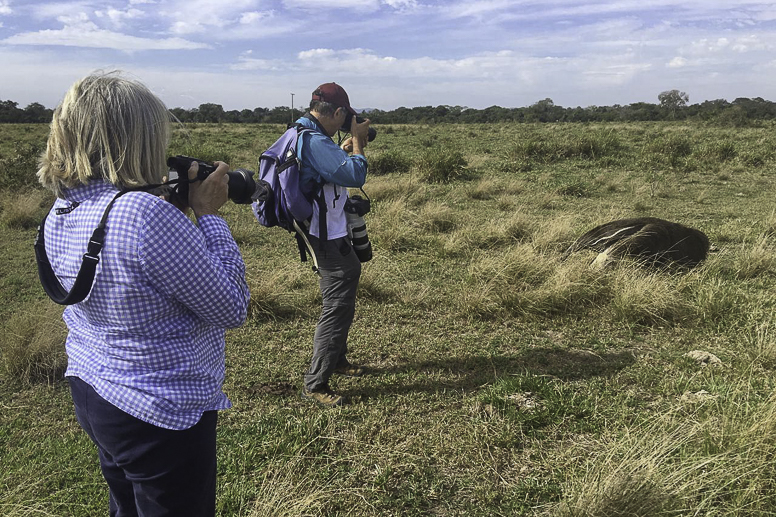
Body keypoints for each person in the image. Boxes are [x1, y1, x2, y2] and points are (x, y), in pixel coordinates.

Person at [36, 72, 250, 516]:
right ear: (136, 139)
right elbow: (231, 307)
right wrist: (208, 214)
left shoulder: (63, 206)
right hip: (159, 409)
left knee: (126, 505)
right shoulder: (143, 213)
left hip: (96, 390)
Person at [295, 82, 371, 407]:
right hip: (323, 232)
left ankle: (337, 359)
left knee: (348, 276)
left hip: (326, 228)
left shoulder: (307, 134)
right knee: (336, 304)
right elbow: (355, 176)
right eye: (345, 117)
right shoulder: (313, 140)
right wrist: (359, 144)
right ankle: (316, 383)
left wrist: (340, 148)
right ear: (338, 112)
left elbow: (323, 173)